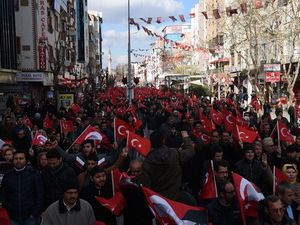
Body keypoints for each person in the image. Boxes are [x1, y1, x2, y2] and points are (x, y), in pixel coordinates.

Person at [139, 129, 194, 200]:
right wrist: (186, 137)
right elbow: (190, 151)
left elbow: (146, 186)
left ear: (151, 143)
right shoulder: (174, 154)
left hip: (159, 200)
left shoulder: (147, 163)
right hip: (175, 196)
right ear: (163, 141)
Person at [0, 151, 44, 225]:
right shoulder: (7, 176)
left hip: (30, 217)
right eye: (16, 158)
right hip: (12, 217)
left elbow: (40, 195)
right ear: (13, 160)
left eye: (21, 158)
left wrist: (34, 213)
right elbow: (3, 194)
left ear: (25, 160)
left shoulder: (34, 175)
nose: (18, 160)